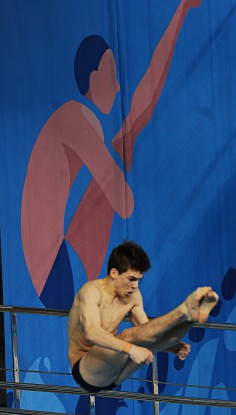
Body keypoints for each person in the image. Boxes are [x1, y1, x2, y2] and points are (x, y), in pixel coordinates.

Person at [21, 0, 202, 310]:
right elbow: (125, 203)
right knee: (129, 135)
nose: (118, 87)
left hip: (58, 260)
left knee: (133, 125)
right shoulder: (77, 118)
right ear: (92, 77)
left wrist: (181, 12)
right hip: (52, 268)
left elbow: (144, 103)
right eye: (112, 74)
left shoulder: (81, 121)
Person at [67, 241, 218, 393]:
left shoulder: (133, 296)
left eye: (139, 280)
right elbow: (91, 332)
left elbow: (150, 332)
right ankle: (183, 311)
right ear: (114, 273)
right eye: (131, 279)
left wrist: (171, 347)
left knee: (154, 342)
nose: (135, 286)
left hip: (115, 372)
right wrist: (131, 350)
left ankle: (192, 317)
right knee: (127, 336)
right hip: (86, 371)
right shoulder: (91, 291)